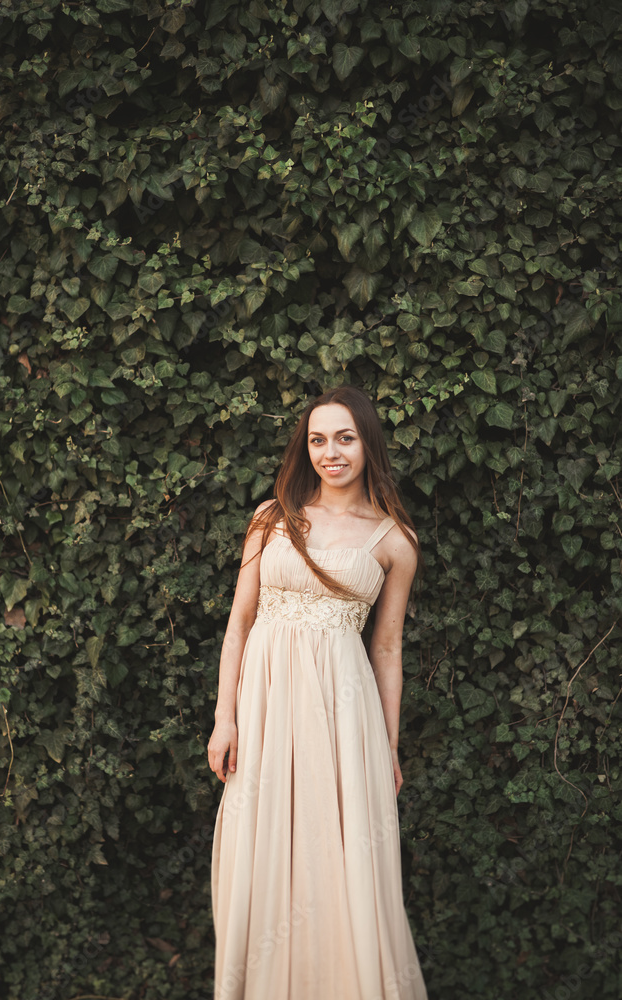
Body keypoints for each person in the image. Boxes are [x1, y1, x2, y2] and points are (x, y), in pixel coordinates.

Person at [208, 385, 429, 1000]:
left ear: (367, 443)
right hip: (266, 710)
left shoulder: (394, 540)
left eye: (344, 437)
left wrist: (385, 746)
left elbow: (386, 650)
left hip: (343, 716)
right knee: (263, 844)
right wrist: (225, 719)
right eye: (317, 439)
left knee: (338, 853)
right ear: (305, 448)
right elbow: (239, 625)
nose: (330, 452)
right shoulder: (270, 517)